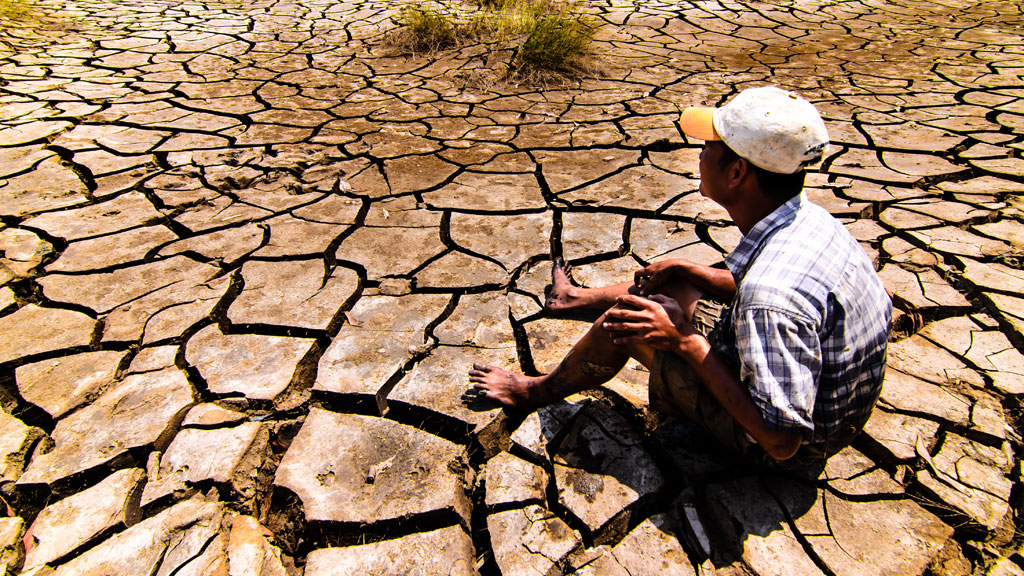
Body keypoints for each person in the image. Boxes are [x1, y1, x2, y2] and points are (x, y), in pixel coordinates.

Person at [467, 86, 893, 474]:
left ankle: (533, 391)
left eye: (709, 146)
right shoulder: (808, 219)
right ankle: (573, 299)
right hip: (824, 398)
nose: (700, 155)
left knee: (627, 321)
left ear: (738, 173)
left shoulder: (772, 295)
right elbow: (745, 287)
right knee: (676, 286)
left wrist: (683, 339)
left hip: (791, 446)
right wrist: (691, 271)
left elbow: (781, 440)